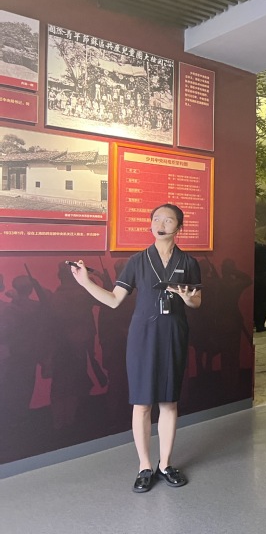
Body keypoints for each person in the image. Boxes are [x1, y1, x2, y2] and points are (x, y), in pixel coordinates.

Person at [69, 204, 201, 493]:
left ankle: (165, 464)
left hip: (174, 334)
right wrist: (86, 283)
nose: (161, 224)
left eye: (168, 220)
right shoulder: (138, 261)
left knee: (169, 402)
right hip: (143, 337)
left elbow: (197, 301)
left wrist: (187, 298)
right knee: (142, 403)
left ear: (179, 227)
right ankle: (144, 466)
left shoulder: (188, 262)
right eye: (156, 219)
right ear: (150, 225)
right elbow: (115, 300)